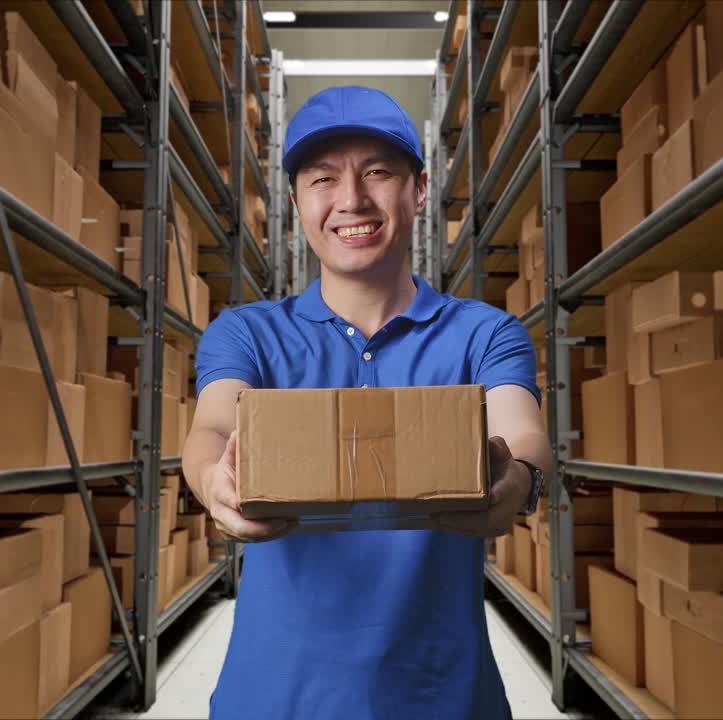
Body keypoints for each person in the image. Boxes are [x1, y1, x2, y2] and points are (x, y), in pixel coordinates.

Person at [182, 86, 550, 720]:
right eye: (323, 178)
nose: (351, 200)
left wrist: (515, 481)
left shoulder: (484, 333)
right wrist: (215, 484)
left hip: (443, 695)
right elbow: (213, 428)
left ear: (418, 189)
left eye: (378, 173)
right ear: (296, 201)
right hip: (274, 698)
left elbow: (523, 435)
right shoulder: (248, 332)